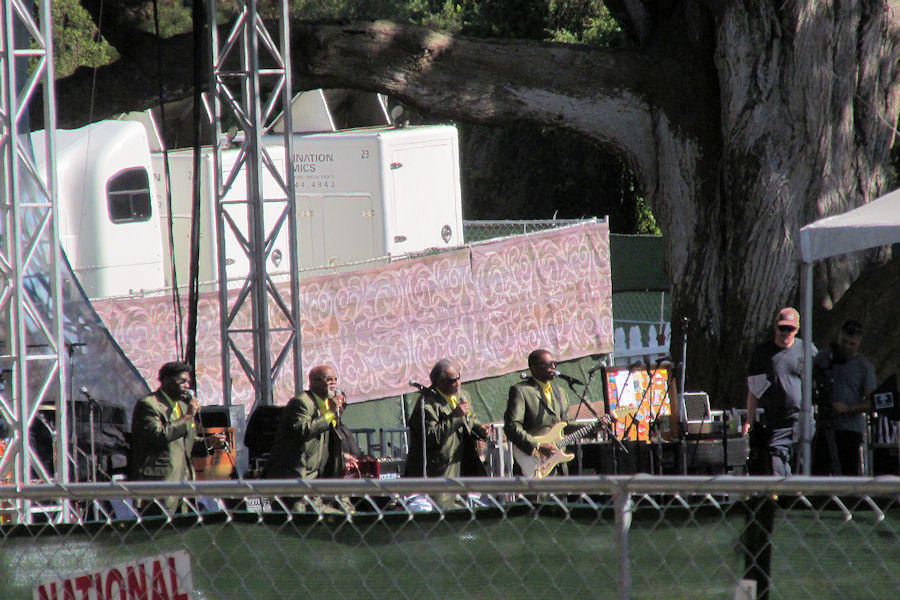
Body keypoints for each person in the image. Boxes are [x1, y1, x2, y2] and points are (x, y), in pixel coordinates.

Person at [129, 361, 223, 514]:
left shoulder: (183, 406)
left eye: (188, 382)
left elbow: (185, 443)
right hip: (159, 485)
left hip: (184, 484)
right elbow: (157, 436)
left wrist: (209, 442)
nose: (187, 385)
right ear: (166, 380)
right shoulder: (149, 404)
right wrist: (187, 417)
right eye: (182, 381)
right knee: (159, 532)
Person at [744, 307, 815, 476]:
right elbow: (754, 389)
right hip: (777, 422)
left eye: (790, 329)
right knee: (778, 466)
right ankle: (783, 499)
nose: (786, 333)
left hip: (803, 420)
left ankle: (801, 499)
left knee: (804, 466)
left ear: (797, 330)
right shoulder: (763, 354)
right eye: (782, 328)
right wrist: (749, 419)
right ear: (775, 327)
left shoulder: (807, 350)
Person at [263, 365, 359, 484]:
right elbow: (304, 431)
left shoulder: (328, 403)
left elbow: (325, 440)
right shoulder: (301, 402)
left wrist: (342, 456)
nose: (333, 383)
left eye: (335, 379)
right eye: (329, 379)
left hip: (318, 476)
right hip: (297, 476)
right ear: (314, 382)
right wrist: (330, 413)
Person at [404, 359, 489, 479]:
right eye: (453, 380)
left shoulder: (463, 395)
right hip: (441, 471)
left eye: (459, 377)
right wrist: (455, 417)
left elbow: (470, 419)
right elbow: (430, 437)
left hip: (465, 466)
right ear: (440, 383)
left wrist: (479, 429)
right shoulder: (428, 404)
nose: (459, 383)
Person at [812, 319, 877, 475]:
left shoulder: (864, 366)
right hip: (824, 425)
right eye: (844, 342)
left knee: (848, 472)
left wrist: (847, 408)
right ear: (839, 336)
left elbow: (871, 401)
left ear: (859, 342)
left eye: (852, 344)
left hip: (849, 430)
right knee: (819, 470)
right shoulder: (824, 357)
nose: (847, 347)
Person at [504, 349, 571, 476]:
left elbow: (567, 425)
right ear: (533, 368)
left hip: (558, 466)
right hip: (533, 464)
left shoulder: (560, 392)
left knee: (560, 496)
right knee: (535, 496)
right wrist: (538, 446)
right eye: (547, 364)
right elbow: (511, 427)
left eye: (554, 363)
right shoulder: (521, 391)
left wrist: (594, 427)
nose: (553, 367)